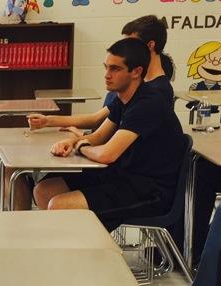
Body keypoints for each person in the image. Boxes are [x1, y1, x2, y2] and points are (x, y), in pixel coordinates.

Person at [33, 38, 186, 232]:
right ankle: (72, 250)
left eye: (115, 69)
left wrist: (81, 146)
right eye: (106, 67)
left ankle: (78, 255)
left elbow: (107, 154)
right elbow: (99, 137)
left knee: (59, 205)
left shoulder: (148, 103)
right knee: (45, 189)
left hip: (149, 190)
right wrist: (72, 141)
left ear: (136, 72)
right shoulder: (121, 99)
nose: (106, 75)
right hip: (122, 177)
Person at [27, 15, 174, 133]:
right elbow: (97, 119)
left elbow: (115, 145)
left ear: (150, 45)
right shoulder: (136, 86)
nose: (107, 75)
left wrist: (82, 139)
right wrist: (48, 121)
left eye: (130, 43)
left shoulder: (155, 93)